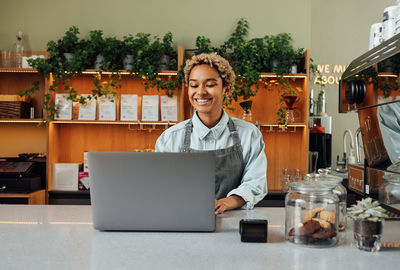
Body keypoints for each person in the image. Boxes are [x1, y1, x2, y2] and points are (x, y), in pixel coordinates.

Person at [155, 53, 267, 214]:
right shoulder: (170, 138)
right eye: (194, 85)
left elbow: (255, 183)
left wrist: (225, 203)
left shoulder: (249, 135)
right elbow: (161, 185)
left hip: (234, 222)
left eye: (210, 84)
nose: (200, 92)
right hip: (183, 221)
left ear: (226, 90)